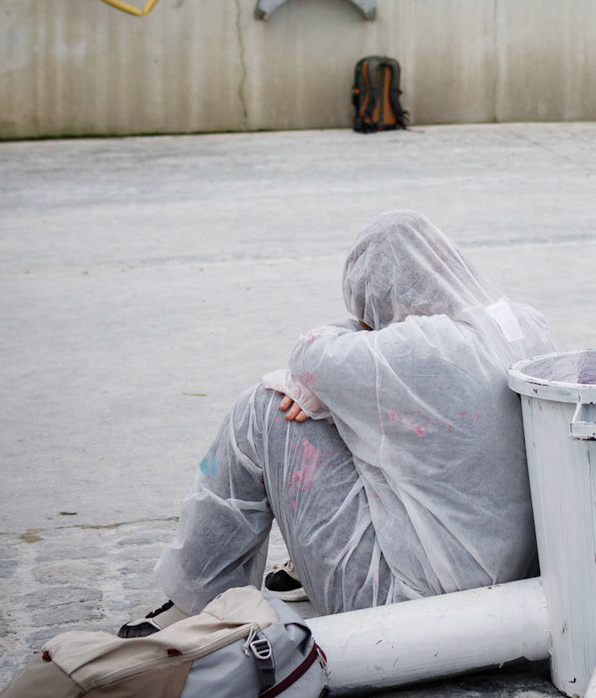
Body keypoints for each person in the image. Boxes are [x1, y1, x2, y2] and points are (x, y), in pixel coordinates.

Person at [121, 212, 552, 633]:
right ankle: (300, 561)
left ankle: (199, 601)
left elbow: (309, 354)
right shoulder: (521, 324)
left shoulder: (414, 348)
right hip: (513, 578)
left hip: (410, 601)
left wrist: (323, 381)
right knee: (354, 411)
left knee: (264, 407)